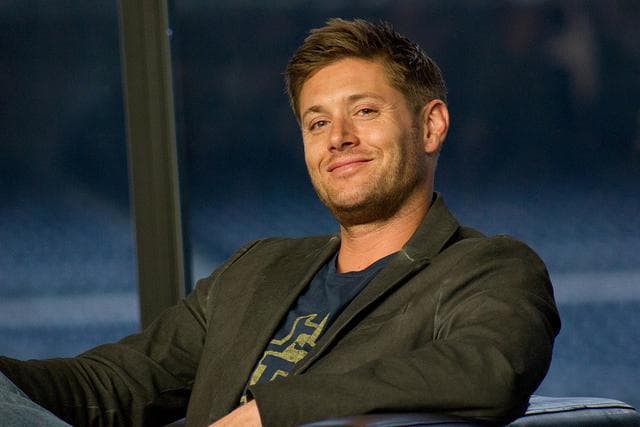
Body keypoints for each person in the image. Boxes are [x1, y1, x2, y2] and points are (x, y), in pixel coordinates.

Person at [0, 18, 560, 427]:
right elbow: (115, 384)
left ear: (431, 125)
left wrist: (272, 411)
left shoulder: (489, 268)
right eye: (317, 123)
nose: (338, 138)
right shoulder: (256, 269)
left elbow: (487, 370)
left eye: (364, 111)